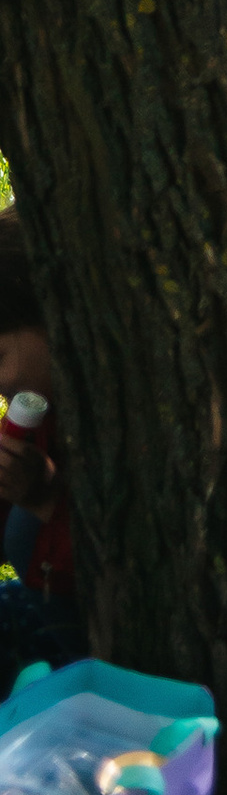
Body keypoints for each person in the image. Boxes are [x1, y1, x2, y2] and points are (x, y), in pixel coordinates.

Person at [0, 210, 79, 690]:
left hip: (90, 645)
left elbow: (123, 560)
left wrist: (47, 502)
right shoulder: (45, 411)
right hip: (41, 604)